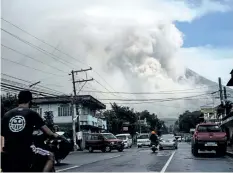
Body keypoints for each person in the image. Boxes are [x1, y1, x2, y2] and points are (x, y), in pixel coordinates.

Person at [1, 90, 59, 172]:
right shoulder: (32, 113)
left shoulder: (7, 115)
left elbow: (2, 135)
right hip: (26, 150)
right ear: (30, 101)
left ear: (18, 99)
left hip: (8, 151)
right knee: (50, 156)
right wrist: (55, 135)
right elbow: (48, 132)